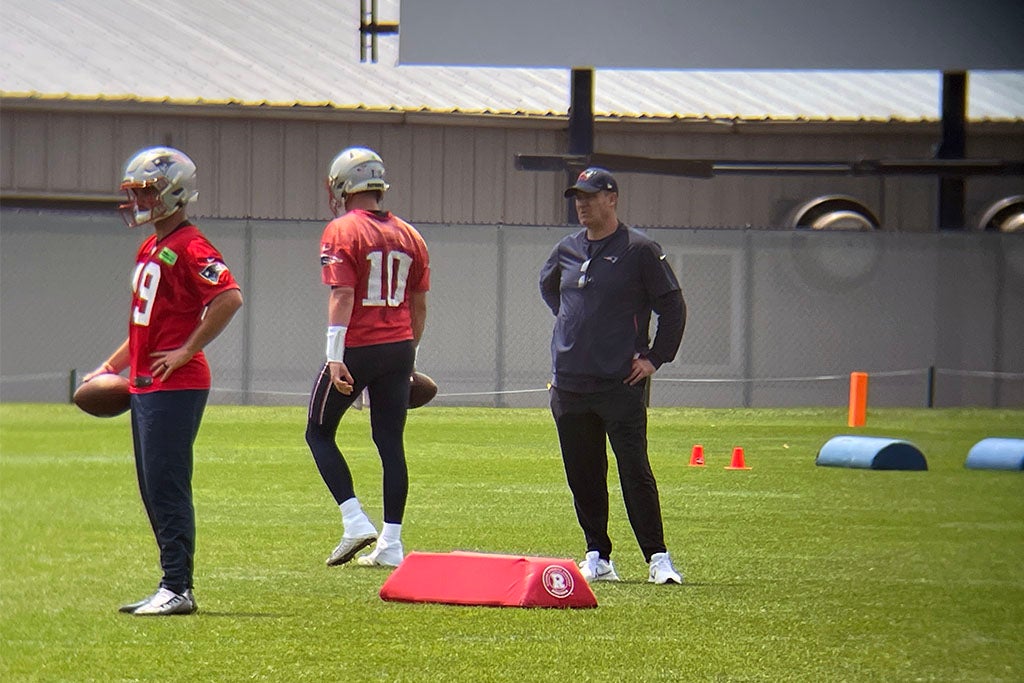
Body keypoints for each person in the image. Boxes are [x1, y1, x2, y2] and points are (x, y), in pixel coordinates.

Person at [82, 146, 243, 615]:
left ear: (175, 192)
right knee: (152, 486)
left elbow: (229, 297)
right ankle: (171, 584)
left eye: (147, 191)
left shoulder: (192, 245)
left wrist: (189, 348)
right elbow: (142, 324)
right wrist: (113, 366)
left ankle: (178, 587)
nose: (139, 201)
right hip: (148, 382)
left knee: (168, 485)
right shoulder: (151, 244)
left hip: (177, 383)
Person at [539, 167, 687, 585]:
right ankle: (597, 555)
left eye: (589, 196)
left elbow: (673, 307)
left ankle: (657, 558)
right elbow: (551, 290)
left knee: (634, 469)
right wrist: (576, 325)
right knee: (583, 473)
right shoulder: (566, 249)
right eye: (577, 197)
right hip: (569, 383)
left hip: (621, 384)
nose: (581, 204)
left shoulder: (640, 250)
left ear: (612, 198)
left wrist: (656, 357)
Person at [305, 147, 430, 569]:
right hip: (399, 346)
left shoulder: (343, 229)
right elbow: (419, 305)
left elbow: (342, 293)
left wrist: (335, 356)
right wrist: (409, 356)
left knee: (318, 433)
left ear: (343, 184)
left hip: (358, 345)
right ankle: (392, 542)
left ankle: (355, 520)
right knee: (390, 442)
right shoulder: (411, 234)